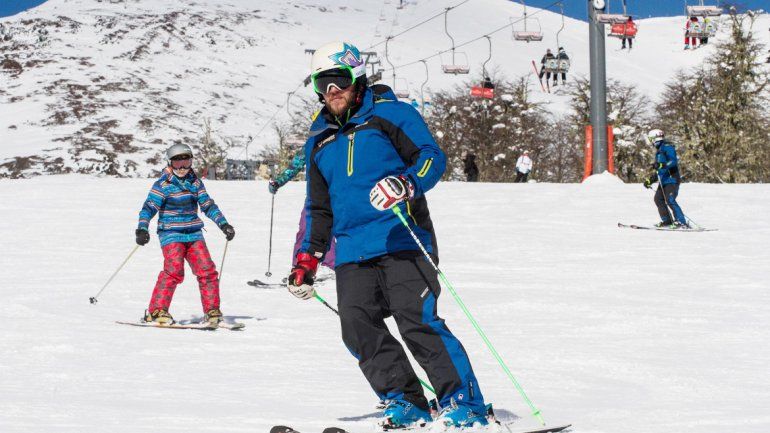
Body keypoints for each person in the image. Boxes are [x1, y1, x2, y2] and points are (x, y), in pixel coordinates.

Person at [288, 41, 490, 429]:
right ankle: (405, 400)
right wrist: (306, 260)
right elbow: (318, 209)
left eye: (338, 80)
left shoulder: (392, 115)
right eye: (322, 84)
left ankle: (464, 404)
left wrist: (406, 183)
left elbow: (432, 157)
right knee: (357, 327)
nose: (332, 91)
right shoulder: (319, 142)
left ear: (356, 78)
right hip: (351, 252)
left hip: (402, 240)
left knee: (417, 321)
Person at [135, 144, 235, 325]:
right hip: (171, 233)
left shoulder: (195, 183)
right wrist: (142, 228)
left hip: (194, 233)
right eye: (177, 163)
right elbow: (149, 207)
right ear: (170, 163)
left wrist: (224, 224)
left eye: (186, 162)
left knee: (207, 270)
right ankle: (157, 311)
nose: (182, 168)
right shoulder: (163, 185)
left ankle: (212, 311)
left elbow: (207, 205)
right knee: (174, 271)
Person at [269, 152, 336, 269]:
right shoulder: (313, 141)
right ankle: (299, 266)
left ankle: (330, 264)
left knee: (332, 230)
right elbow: (296, 165)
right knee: (305, 228)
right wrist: (279, 181)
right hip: (315, 196)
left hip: (338, 194)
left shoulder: (343, 139)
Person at [643, 129, 689, 228]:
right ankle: (667, 221)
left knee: (670, 199)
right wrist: (650, 180)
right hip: (663, 181)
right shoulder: (659, 152)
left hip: (672, 179)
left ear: (656, 138)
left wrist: (660, 165)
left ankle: (681, 222)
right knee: (658, 199)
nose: (650, 142)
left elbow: (672, 161)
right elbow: (660, 170)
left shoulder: (668, 147)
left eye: (651, 139)